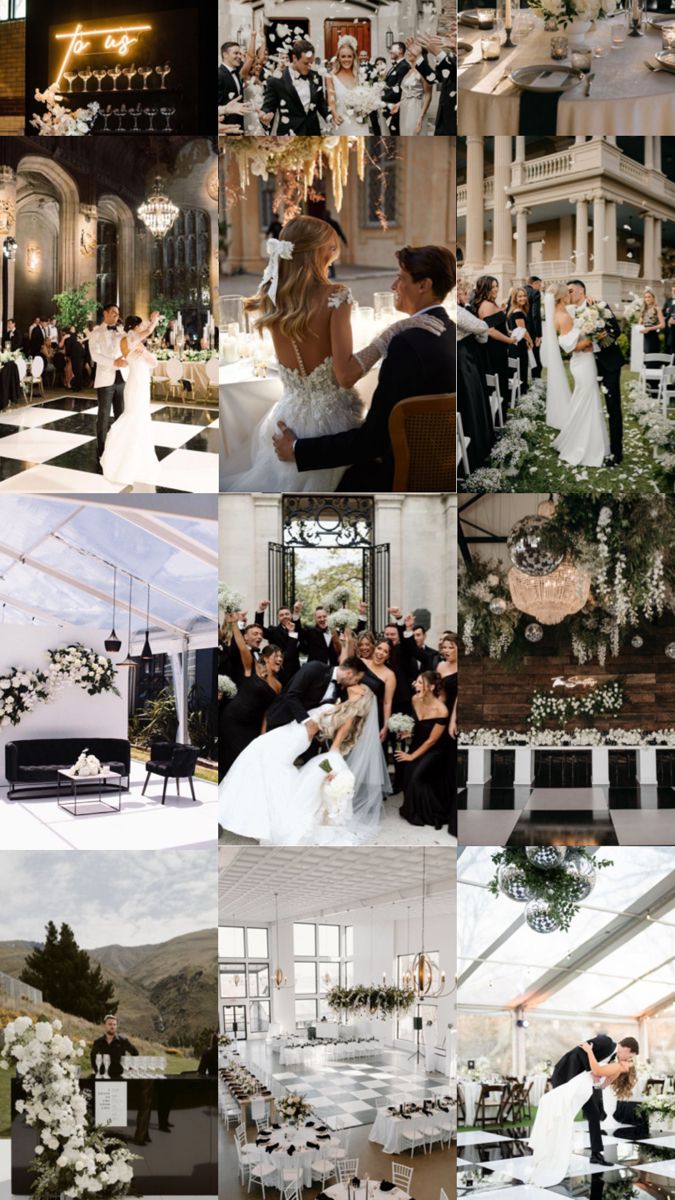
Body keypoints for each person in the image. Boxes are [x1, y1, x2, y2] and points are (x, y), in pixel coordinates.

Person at [221, 218, 443, 492]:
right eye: (331, 248)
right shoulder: (336, 296)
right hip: (331, 425)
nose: (333, 255)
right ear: (318, 252)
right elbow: (346, 375)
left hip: (289, 420)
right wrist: (390, 333)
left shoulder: (272, 296)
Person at [272, 243, 455, 491]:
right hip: (440, 462)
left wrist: (297, 449)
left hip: (400, 473)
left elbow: (372, 442)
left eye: (400, 278)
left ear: (424, 285)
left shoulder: (406, 346)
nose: (393, 286)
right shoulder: (449, 330)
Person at [219, 656, 391, 845]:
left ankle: (266, 822)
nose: (356, 684)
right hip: (290, 732)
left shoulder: (345, 712)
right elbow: (292, 695)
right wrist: (309, 723)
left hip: (294, 739)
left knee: (269, 770)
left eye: (360, 685)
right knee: (263, 767)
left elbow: (332, 744)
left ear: (361, 695)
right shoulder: (320, 675)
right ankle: (259, 821)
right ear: (350, 673)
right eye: (357, 680)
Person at [527, 1036, 638, 1184]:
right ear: (626, 1048)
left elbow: (606, 1072)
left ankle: (596, 1154)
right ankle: (547, 1147)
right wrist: (591, 1072)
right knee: (561, 1113)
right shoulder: (606, 1041)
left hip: (583, 1082)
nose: (628, 1059)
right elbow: (581, 1049)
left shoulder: (614, 1059)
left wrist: (602, 1082)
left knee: (594, 1113)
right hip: (566, 1075)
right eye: (629, 1055)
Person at [547, 282, 609, 468]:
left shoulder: (562, 313)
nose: (569, 294)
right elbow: (571, 346)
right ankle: (582, 445)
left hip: (583, 362)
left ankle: (579, 438)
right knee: (586, 400)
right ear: (561, 297)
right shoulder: (563, 317)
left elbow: (581, 312)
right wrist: (593, 337)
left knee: (583, 400)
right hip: (583, 361)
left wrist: (591, 313)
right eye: (567, 292)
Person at [100, 312, 161, 486]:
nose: (142, 328)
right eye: (140, 325)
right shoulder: (130, 340)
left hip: (140, 382)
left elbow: (153, 362)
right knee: (134, 416)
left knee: (140, 417)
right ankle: (124, 461)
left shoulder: (132, 342)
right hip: (136, 383)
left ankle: (137, 458)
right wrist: (154, 320)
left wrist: (146, 353)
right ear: (134, 327)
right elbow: (148, 331)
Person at [567, 279, 623, 464]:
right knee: (589, 405)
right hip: (588, 364)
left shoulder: (599, 305)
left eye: (571, 291)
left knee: (612, 407)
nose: (569, 295)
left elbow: (616, 330)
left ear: (582, 291)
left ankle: (616, 452)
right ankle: (588, 445)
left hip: (609, 363)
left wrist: (602, 338)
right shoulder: (571, 312)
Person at [219, 614, 283, 777]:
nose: (279, 659)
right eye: (276, 656)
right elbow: (242, 648)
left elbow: (268, 713)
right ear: (266, 658)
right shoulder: (252, 669)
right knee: (231, 761)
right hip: (233, 719)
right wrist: (233, 624)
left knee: (247, 762)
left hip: (251, 727)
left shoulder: (278, 685)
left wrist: (263, 735)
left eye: (281, 657)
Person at [396, 670, 449, 829]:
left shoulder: (441, 710)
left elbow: (432, 740)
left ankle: (431, 812)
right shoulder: (414, 699)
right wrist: (408, 731)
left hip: (435, 750)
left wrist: (412, 756)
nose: (416, 685)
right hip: (417, 743)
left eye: (420, 683)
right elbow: (418, 724)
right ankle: (413, 810)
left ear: (431, 687)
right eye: (417, 682)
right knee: (408, 774)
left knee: (416, 776)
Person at [470, 276, 522, 419]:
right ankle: (500, 416)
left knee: (501, 381)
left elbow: (498, 327)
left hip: (498, 348)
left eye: (496, 286)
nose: (496, 289)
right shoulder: (486, 305)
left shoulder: (488, 303)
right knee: (499, 381)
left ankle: (501, 415)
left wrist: (508, 333)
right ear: (484, 288)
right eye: (492, 287)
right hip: (494, 350)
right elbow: (491, 331)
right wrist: (510, 340)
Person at [457, 290, 494, 473]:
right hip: (463, 360)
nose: (464, 293)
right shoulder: (456, 311)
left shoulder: (460, 309)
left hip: (464, 357)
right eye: (461, 290)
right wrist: (481, 339)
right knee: (471, 402)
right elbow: (481, 327)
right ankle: (475, 452)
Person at [260, 40, 331, 135]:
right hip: (289, 135)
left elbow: (320, 101)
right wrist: (266, 114)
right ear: (294, 58)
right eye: (306, 63)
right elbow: (268, 106)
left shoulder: (316, 76)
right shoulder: (276, 80)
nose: (309, 67)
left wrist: (329, 116)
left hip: (313, 133)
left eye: (311, 63)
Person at [89, 303, 128, 461]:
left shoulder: (121, 331)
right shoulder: (96, 332)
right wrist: (114, 362)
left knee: (121, 414)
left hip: (122, 378)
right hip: (106, 378)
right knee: (104, 415)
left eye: (118, 313)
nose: (116, 315)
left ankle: (118, 445)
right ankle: (102, 448)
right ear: (105, 313)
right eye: (113, 312)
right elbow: (95, 355)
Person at [327, 35, 369, 135]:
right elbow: (331, 100)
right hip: (342, 121)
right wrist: (334, 114)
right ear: (338, 58)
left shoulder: (360, 75)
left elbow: (367, 97)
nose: (346, 59)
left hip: (359, 122)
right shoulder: (331, 76)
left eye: (349, 56)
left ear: (354, 57)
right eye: (343, 56)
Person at [90, 1014, 139, 1080]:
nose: (112, 1026)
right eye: (110, 1024)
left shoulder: (123, 1041)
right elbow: (93, 1056)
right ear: (105, 1025)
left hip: (120, 1076)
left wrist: (130, 1068)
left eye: (114, 1024)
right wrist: (97, 1071)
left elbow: (135, 1053)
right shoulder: (98, 1042)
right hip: (103, 1076)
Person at [397, 46, 432, 136]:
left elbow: (428, 94)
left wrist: (421, 116)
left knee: (413, 134)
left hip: (415, 107)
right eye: (408, 51)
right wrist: (399, 104)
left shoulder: (424, 71)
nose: (408, 53)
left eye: (412, 51)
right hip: (404, 108)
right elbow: (406, 91)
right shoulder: (409, 71)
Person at [505, 286, 534, 394]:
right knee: (520, 369)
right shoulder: (518, 312)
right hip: (519, 346)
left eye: (524, 296)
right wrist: (530, 341)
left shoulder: (514, 310)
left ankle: (517, 395)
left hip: (515, 344)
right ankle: (520, 395)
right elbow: (523, 330)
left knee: (517, 370)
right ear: (515, 298)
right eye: (520, 296)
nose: (523, 298)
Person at [382, 42, 410, 135]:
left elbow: (399, 88)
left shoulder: (404, 66)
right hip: (389, 105)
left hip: (395, 106)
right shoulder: (396, 65)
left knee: (395, 133)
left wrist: (381, 98)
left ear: (401, 51)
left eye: (393, 49)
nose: (390, 51)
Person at [218, 42, 245, 130]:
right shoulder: (219, 75)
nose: (240, 56)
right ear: (225, 55)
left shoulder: (237, 73)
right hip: (225, 127)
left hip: (238, 125)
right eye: (236, 53)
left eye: (240, 53)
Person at [638, 287, 665, 360]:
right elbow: (639, 324)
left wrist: (649, 328)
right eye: (645, 297)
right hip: (643, 338)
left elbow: (662, 325)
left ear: (653, 298)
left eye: (649, 297)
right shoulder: (643, 310)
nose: (647, 299)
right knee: (644, 361)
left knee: (651, 361)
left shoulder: (657, 309)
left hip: (653, 338)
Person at [526, 276, 543, 378]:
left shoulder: (517, 291)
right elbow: (535, 315)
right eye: (539, 285)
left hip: (519, 331)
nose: (540, 287)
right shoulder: (535, 293)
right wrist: (539, 334)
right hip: (532, 331)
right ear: (535, 283)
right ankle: (536, 381)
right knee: (535, 357)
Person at [664, 282, 675, 355]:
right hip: (668, 332)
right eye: (672, 290)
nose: (673, 292)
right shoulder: (668, 301)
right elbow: (663, 313)